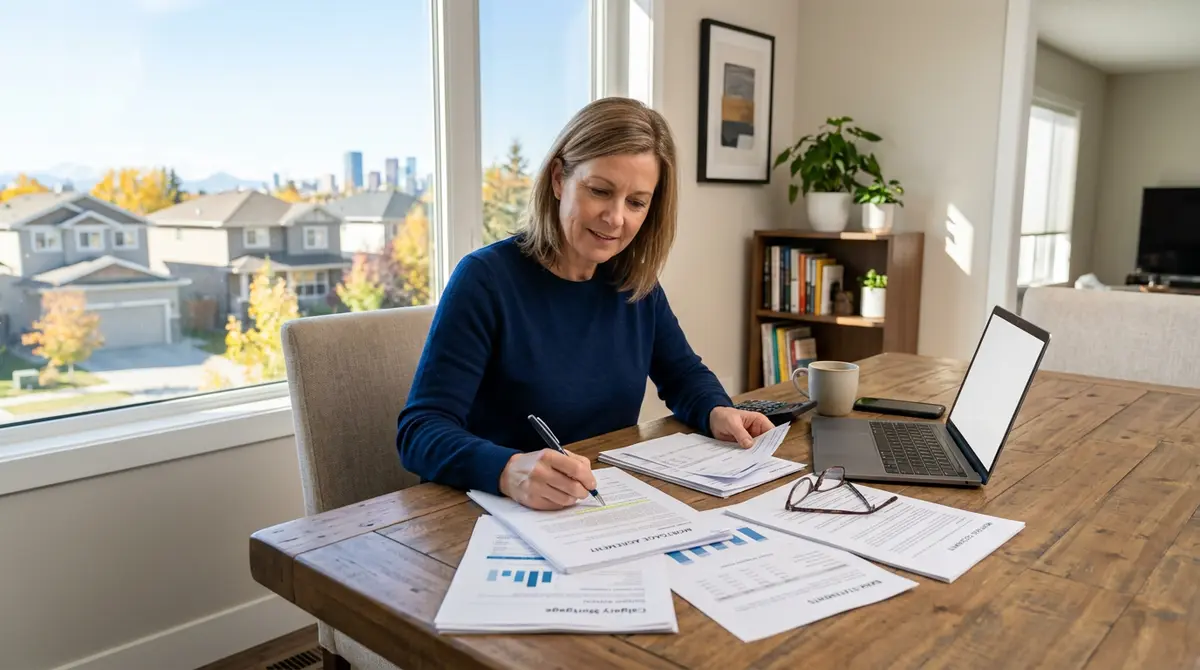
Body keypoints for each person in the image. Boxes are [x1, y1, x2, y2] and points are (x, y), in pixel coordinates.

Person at [396, 97, 774, 510]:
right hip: (494, 513)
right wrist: (508, 469)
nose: (616, 218)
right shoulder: (484, 280)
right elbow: (420, 431)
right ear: (559, 178)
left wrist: (717, 410)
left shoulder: (635, 283)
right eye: (600, 191)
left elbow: (683, 374)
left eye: (636, 202)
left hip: (602, 507)